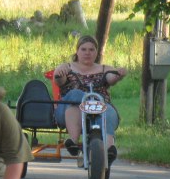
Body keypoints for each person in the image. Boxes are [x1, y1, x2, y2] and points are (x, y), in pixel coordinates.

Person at [52, 35, 128, 165]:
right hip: (67, 111)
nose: (87, 53)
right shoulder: (67, 67)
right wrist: (59, 73)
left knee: (106, 108)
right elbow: (59, 80)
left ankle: (110, 148)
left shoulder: (105, 69)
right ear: (77, 51)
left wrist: (119, 74)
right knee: (76, 95)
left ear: (96, 52)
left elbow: (111, 78)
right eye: (84, 49)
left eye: (91, 50)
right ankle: (73, 142)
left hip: (99, 109)